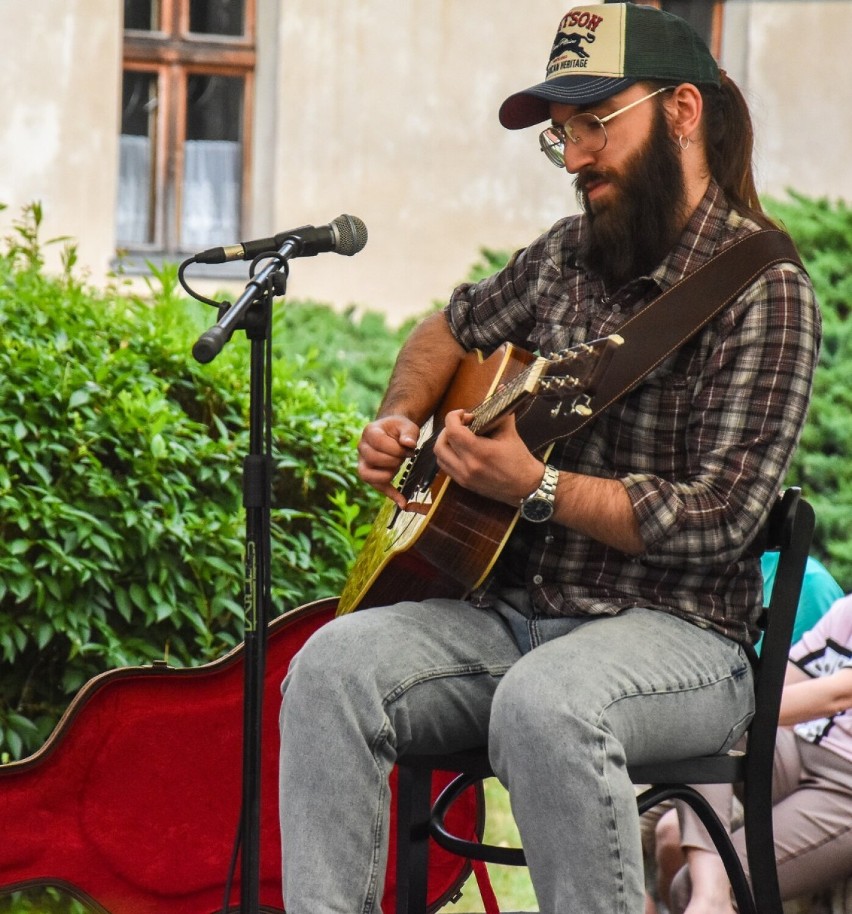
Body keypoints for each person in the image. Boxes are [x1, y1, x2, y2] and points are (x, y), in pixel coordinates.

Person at [278, 5, 821, 913]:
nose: (573, 160)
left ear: (682, 110)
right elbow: (447, 329)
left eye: (593, 126)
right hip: (511, 619)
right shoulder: (565, 257)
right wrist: (401, 418)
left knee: (547, 703)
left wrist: (542, 490)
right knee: (330, 669)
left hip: (682, 639)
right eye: (561, 136)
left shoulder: (764, 289)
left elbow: (725, 516)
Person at [642, 555, 844, 914]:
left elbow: (833, 695)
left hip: (842, 785)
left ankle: (710, 893)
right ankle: (711, 892)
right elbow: (775, 690)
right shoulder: (845, 615)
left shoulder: (814, 586)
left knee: (684, 885)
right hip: (800, 747)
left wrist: (732, 703)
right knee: (707, 713)